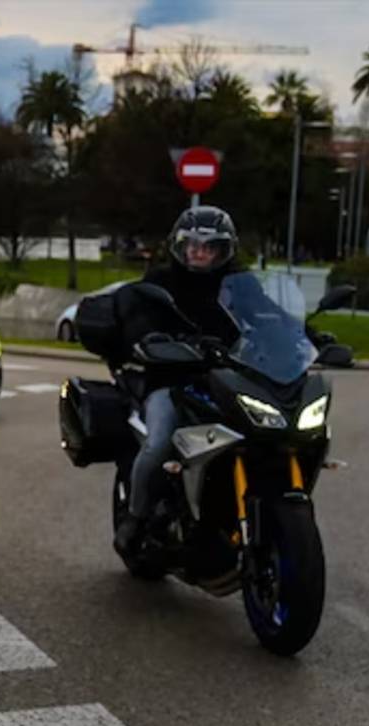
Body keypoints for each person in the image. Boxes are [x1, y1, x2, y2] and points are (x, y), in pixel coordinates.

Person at [115, 205, 247, 556]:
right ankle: (136, 518)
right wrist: (152, 339)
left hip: (226, 381)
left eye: (208, 246)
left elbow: (270, 317)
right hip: (171, 383)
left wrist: (309, 337)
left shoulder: (238, 284)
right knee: (158, 443)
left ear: (223, 250)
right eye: (192, 244)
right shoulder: (161, 281)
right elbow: (137, 318)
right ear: (180, 245)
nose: (198, 252)